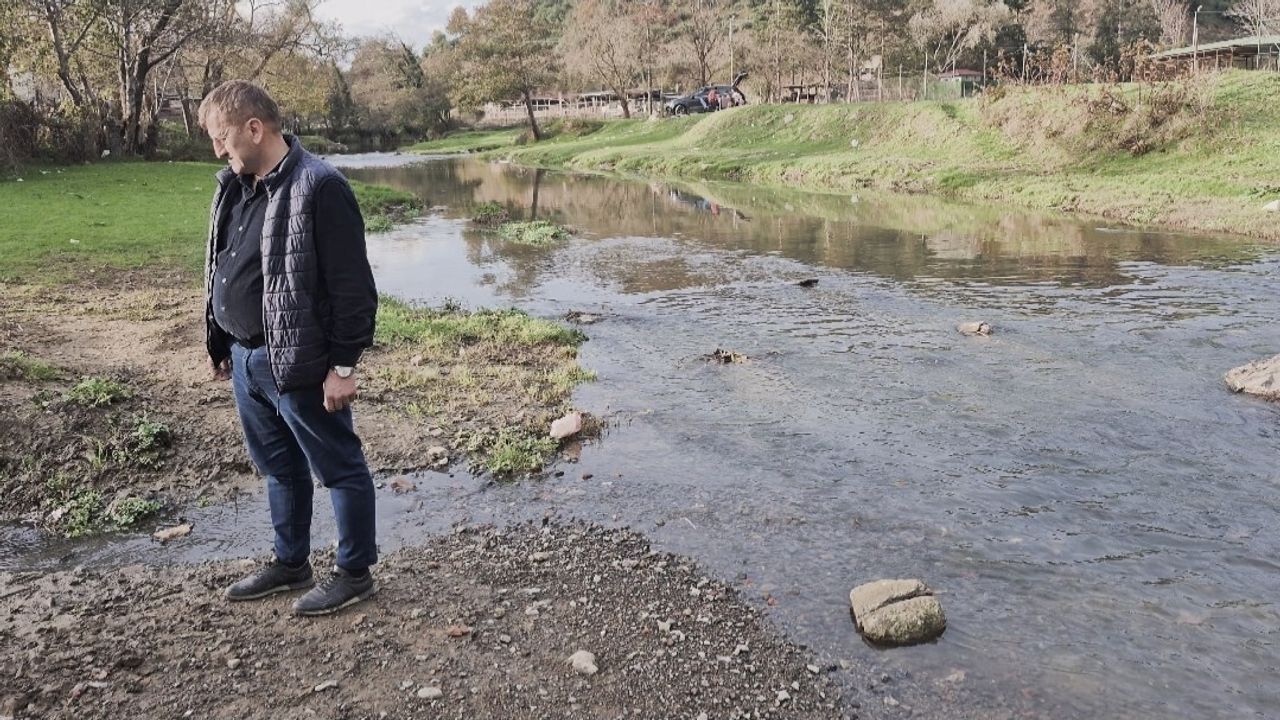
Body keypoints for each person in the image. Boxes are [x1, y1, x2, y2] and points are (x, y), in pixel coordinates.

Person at [198, 80, 379, 616]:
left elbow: (353, 289)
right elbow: (224, 265)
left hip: (299, 361)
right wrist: (219, 340)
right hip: (246, 360)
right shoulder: (234, 186)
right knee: (279, 467)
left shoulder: (320, 187)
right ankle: (290, 563)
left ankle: (355, 573)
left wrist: (342, 366)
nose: (217, 149)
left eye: (221, 137)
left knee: (339, 466)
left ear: (254, 128)